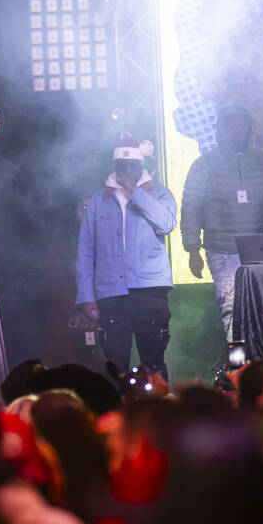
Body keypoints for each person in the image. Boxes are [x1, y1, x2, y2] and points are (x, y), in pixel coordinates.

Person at [77, 137, 178, 378]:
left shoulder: (160, 194)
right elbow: (85, 250)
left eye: (133, 164)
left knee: (153, 364)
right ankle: (118, 413)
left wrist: (135, 192)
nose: (128, 170)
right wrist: (86, 297)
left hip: (149, 291)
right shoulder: (99, 201)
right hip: (111, 294)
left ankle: (158, 413)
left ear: (142, 165)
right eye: (122, 165)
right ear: (115, 165)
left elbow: (166, 224)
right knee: (115, 367)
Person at [181, 105, 263, 341]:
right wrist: (193, 249)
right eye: (231, 124)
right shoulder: (204, 164)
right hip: (223, 250)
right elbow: (191, 206)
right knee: (232, 310)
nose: (237, 129)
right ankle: (238, 366)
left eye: (242, 123)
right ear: (220, 129)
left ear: (251, 128)